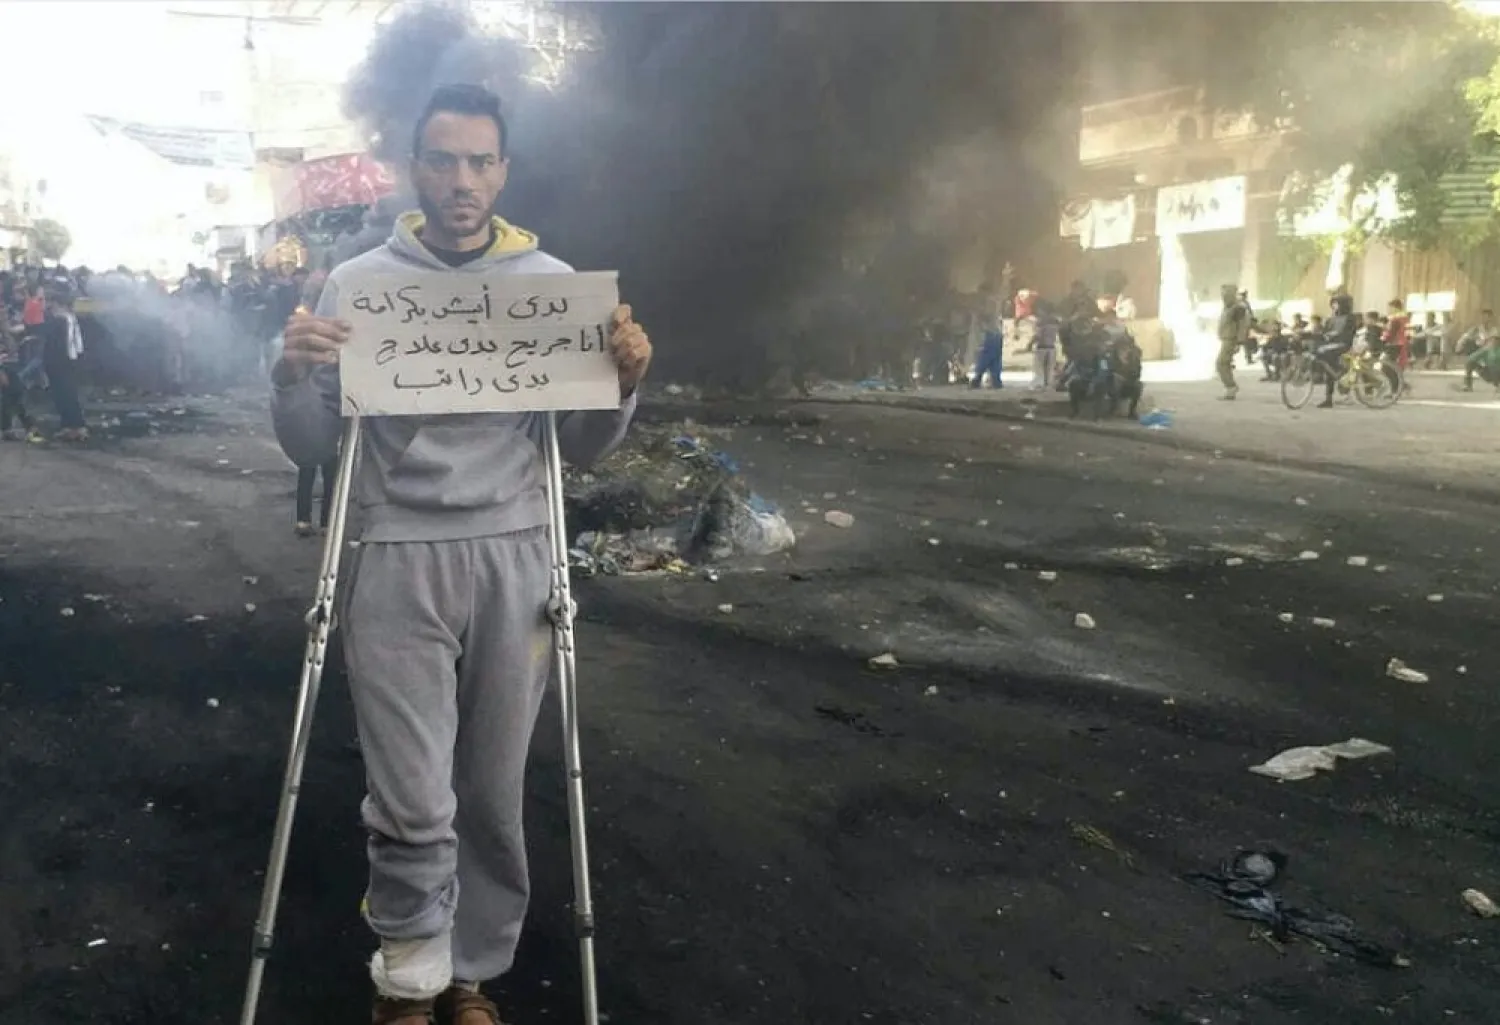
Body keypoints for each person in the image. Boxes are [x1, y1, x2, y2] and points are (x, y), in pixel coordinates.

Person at [270, 84, 652, 1025]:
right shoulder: (358, 284)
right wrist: (288, 375)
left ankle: (472, 972)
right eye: (442, 159)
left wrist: (623, 383)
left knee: (488, 789)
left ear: (504, 171)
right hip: (396, 552)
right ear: (414, 169)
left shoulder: (553, 286)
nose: (461, 180)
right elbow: (314, 446)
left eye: (480, 160)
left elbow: (583, 449)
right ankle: (409, 974)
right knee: (409, 793)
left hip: (516, 553)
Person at [41, 289, 87, 441]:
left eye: (51, 303)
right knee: (69, 394)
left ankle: (73, 426)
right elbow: (76, 344)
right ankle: (73, 426)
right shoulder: (71, 318)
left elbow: (55, 346)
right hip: (70, 360)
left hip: (59, 362)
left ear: (58, 304)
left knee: (63, 395)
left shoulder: (59, 321)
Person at [1315, 293, 1359, 408]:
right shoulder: (1331, 319)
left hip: (1343, 344)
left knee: (1325, 358)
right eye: (1333, 303)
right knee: (1328, 370)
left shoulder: (1350, 318)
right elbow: (1324, 332)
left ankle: (1339, 372)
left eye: (1336, 303)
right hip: (1331, 345)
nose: (1334, 306)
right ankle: (1328, 399)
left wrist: (1332, 336)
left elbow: (1349, 334)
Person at [1215, 283, 1248, 399]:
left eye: (1225, 293)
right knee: (1224, 364)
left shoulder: (1238, 308)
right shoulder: (1228, 307)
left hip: (1231, 339)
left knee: (1220, 363)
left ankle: (1231, 386)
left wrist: (1239, 342)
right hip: (1226, 339)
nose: (1222, 296)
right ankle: (1230, 389)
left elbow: (1242, 326)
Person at [1029, 300, 1059, 391]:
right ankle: (1049, 384)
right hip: (1052, 347)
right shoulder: (1055, 321)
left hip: (1041, 347)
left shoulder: (1041, 322)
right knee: (1050, 368)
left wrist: (1030, 344)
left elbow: (1038, 335)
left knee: (1039, 368)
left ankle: (1039, 384)